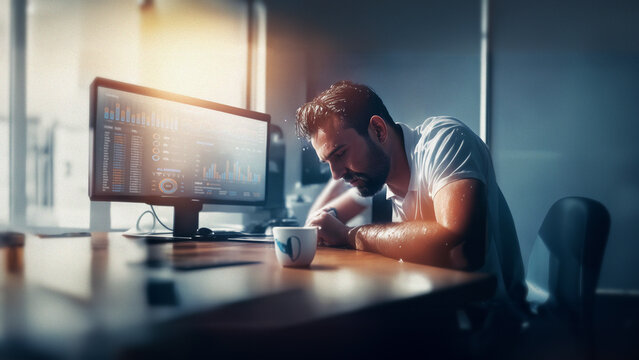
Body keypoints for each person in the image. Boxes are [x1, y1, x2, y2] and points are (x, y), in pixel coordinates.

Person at [297, 80, 526, 310]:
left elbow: (463, 252)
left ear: (378, 130)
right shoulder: (378, 175)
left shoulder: (445, 141)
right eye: (328, 162)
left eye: (340, 154)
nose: (336, 174)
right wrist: (327, 218)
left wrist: (349, 235)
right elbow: (344, 205)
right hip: (431, 313)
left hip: (489, 319)